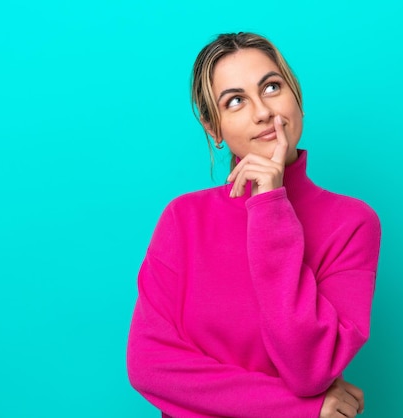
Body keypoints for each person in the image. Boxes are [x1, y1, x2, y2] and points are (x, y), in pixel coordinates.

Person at [127, 32, 381, 418]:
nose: (262, 111)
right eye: (235, 101)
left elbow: (308, 370)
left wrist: (269, 207)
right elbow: (150, 367)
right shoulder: (183, 219)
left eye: (272, 87)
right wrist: (300, 410)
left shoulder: (351, 224)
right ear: (215, 130)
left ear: (297, 98)